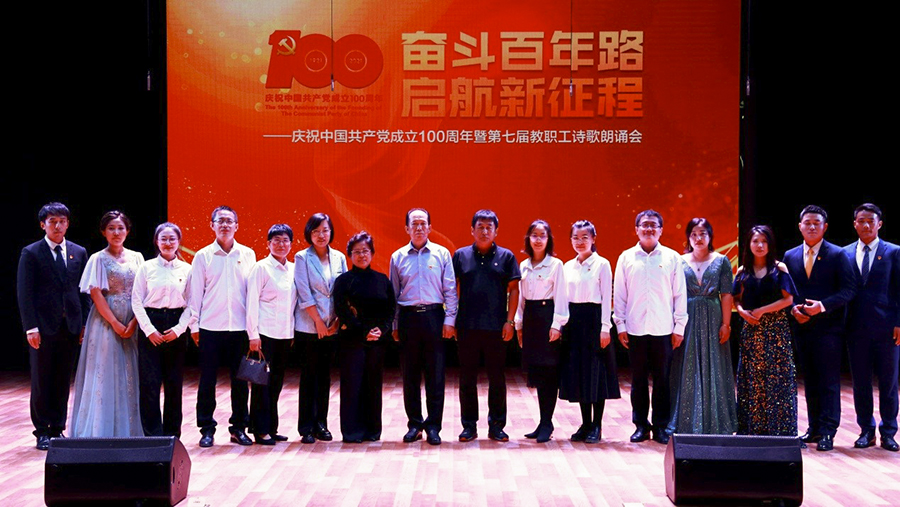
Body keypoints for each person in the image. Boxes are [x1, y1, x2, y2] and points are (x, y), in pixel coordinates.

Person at [17, 202, 91, 450]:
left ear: (68, 223)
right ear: (43, 225)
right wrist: (31, 327)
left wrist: (83, 323)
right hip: (42, 327)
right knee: (41, 380)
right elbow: (25, 293)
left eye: (62, 221)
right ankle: (42, 431)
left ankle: (58, 428)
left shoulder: (79, 252)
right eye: (52, 221)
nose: (58, 226)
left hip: (70, 326)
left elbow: (84, 291)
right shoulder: (31, 252)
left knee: (62, 379)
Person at [783, 205, 856, 451]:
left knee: (829, 381)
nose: (812, 227)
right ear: (799, 226)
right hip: (801, 328)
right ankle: (813, 428)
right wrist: (794, 309)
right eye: (807, 222)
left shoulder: (838, 254)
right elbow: (786, 291)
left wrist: (822, 307)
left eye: (817, 223)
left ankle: (828, 431)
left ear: (825, 227)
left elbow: (848, 290)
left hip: (829, 329)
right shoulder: (790, 255)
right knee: (810, 380)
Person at [614, 209, 687, 445]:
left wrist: (679, 327)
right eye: (644, 225)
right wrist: (620, 324)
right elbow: (620, 294)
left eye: (653, 225)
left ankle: (661, 427)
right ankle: (640, 426)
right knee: (638, 381)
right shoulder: (626, 257)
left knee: (662, 380)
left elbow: (679, 294)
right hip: (635, 328)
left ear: (661, 230)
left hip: (663, 329)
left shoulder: (672, 258)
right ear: (636, 229)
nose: (648, 229)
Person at [70, 210, 144, 437]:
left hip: (133, 317)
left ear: (128, 231)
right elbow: (96, 294)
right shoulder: (97, 258)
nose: (116, 232)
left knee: (130, 370)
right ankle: (101, 430)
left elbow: (144, 291)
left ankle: (129, 428)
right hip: (105, 320)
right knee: (105, 370)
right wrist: (115, 323)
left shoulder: (138, 257)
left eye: (120, 228)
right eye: (111, 228)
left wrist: (134, 321)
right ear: (103, 232)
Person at [189, 205, 258, 447]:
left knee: (240, 382)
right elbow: (195, 294)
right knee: (207, 381)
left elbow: (252, 295)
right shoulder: (202, 256)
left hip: (239, 328)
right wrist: (194, 326)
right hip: (210, 328)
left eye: (230, 221)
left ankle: (238, 428)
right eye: (220, 221)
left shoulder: (248, 254)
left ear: (237, 226)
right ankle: (206, 429)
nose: (225, 225)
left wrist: (253, 330)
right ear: (212, 225)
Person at [390, 208, 457, 445]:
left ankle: (434, 426)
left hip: (434, 318)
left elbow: (450, 290)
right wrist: (395, 324)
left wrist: (449, 321)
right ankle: (415, 424)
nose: (419, 228)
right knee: (410, 375)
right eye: (414, 224)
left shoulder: (442, 254)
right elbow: (394, 293)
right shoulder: (397, 257)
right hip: (408, 320)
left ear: (430, 227)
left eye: (423, 223)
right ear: (406, 228)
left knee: (435, 375)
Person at [453, 209, 521, 442]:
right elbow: (451, 290)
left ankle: (497, 426)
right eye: (480, 227)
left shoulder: (507, 256)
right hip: (467, 327)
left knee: (497, 379)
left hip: (496, 328)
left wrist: (510, 321)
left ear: (496, 231)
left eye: (488, 227)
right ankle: (469, 426)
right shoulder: (460, 256)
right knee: (467, 379)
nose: (484, 231)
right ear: (472, 230)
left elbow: (514, 290)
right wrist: (452, 320)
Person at [667, 218, 738, 435]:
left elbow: (726, 295)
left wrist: (726, 324)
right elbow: (673, 294)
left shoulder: (722, 261)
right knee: (686, 367)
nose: (698, 238)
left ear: (710, 236)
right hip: (686, 317)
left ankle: (715, 421)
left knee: (714, 364)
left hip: (713, 317)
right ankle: (685, 420)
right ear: (688, 238)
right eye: (694, 234)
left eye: (703, 234)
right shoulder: (679, 261)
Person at [843, 203, 899, 452]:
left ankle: (889, 432)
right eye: (861, 220)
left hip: (887, 329)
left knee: (889, 383)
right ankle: (866, 430)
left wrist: (899, 322)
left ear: (879, 224)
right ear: (854, 223)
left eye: (871, 221)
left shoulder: (894, 252)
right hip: (855, 328)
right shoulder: (844, 253)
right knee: (861, 383)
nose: (866, 225)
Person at [733, 225, 798, 436]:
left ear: (770, 244)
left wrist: (762, 311)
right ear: (749, 244)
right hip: (751, 329)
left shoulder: (780, 268)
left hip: (776, 328)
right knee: (752, 378)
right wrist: (742, 312)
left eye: (764, 241)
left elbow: (788, 299)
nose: (760, 245)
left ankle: (779, 430)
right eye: (755, 241)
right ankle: (752, 429)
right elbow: (736, 299)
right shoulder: (742, 271)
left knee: (777, 378)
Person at [560, 220, 620, 443]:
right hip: (573, 322)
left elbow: (606, 299)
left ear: (593, 239)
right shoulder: (567, 266)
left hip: (595, 321)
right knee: (580, 374)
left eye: (585, 237)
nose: (580, 242)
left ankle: (597, 425)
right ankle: (585, 423)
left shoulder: (602, 264)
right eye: (575, 238)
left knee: (596, 374)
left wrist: (605, 328)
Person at [333, 232, 396, 443]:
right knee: (352, 385)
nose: (362, 255)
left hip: (377, 341)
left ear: (372, 253)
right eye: (357, 252)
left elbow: (390, 309)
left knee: (373, 385)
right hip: (352, 340)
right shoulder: (343, 281)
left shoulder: (382, 280)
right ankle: (352, 432)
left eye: (365, 251)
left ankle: (372, 431)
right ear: (350, 255)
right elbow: (342, 310)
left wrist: (382, 330)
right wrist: (363, 331)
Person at [132, 222, 192, 438]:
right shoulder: (146, 267)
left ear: (178, 242)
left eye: (172, 239)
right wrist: (149, 330)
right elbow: (136, 301)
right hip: (151, 323)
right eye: (163, 239)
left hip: (176, 325)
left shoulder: (187, 269)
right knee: (149, 383)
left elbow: (193, 304)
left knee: (174, 384)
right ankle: (152, 435)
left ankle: (172, 435)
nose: (168, 243)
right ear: (156, 242)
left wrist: (179, 329)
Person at [513, 220, 568, 443]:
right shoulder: (523, 266)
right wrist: (518, 326)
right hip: (531, 320)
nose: (538, 239)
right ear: (528, 239)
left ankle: (547, 422)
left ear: (548, 239)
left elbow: (561, 297)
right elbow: (521, 299)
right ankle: (543, 421)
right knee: (536, 373)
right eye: (534, 235)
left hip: (548, 318)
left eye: (542, 235)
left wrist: (557, 325)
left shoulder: (556, 265)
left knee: (549, 374)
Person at [294, 213, 347, 443]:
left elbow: (342, 291)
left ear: (331, 232)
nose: (321, 235)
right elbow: (304, 292)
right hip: (309, 326)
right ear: (309, 234)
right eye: (316, 231)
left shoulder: (339, 257)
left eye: (325, 230)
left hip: (332, 326)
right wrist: (317, 321)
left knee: (325, 377)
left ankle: (321, 424)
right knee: (309, 377)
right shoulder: (302, 257)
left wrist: (337, 321)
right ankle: (306, 427)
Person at [247, 224, 297, 445]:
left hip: (285, 334)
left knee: (276, 383)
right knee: (261, 384)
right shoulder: (261, 268)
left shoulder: (294, 269)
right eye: (276, 240)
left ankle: (271, 427)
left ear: (291, 244)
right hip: (264, 335)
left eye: (285, 240)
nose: (281, 244)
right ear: (268, 244)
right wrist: (253, 335)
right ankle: (260, 430)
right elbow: (251, 303)